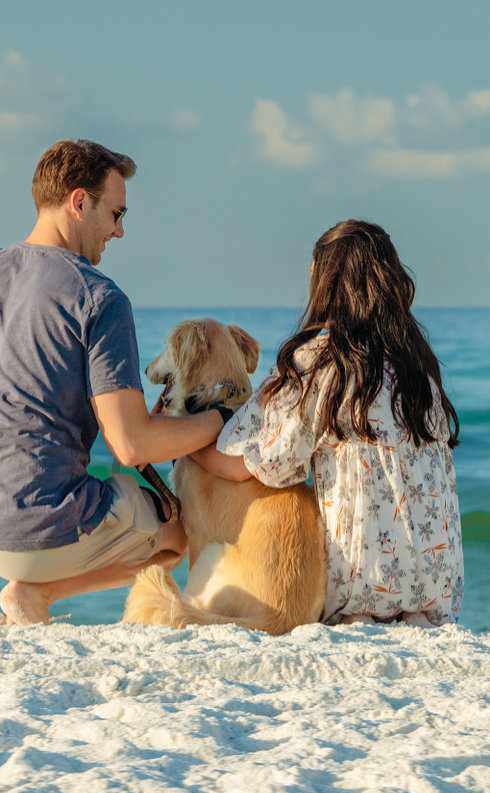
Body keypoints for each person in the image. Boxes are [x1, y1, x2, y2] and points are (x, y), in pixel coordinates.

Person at [0, 139, 228, 625]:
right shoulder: (99, 296)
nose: (120, 231)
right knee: (178, 532)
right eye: (115, 213)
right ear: (79, 201)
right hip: (31, 532)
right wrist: (219, 420)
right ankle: (41, 592)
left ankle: (31, 587)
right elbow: (131, 446)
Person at [189, 219, 464, 626]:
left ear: (325, 284)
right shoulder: (418, 367)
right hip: (437, 595)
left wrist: (189, 443)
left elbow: (250, 463)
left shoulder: (320, 360)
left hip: (362, 594)